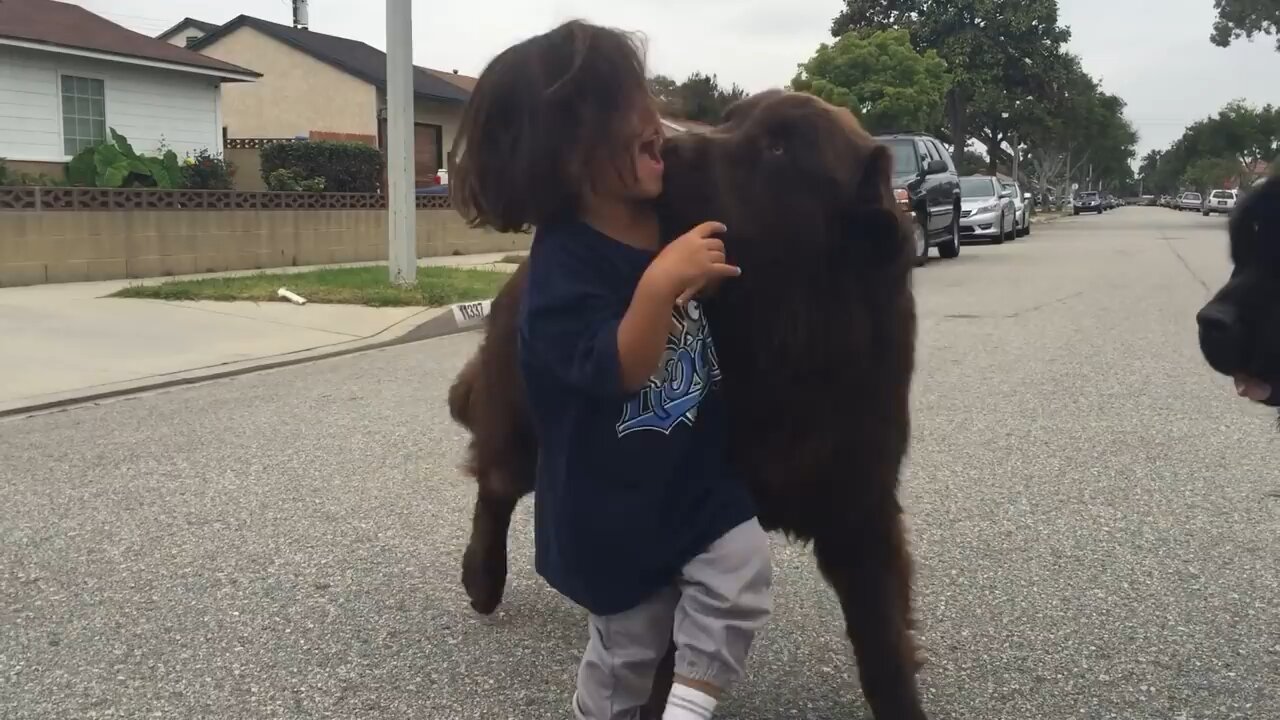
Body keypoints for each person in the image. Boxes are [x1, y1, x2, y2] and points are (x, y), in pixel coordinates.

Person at [451, 19, 772, 720]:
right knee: (628, 651)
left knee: (743, 570)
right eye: (633, 106)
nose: (654, 118)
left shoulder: (662, 219)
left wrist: (691, 282)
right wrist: (660, 286)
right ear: (572, 151)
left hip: (689, 479)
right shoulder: (561, 269)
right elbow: (619, 368)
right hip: (608, 507)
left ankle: (691, 705)